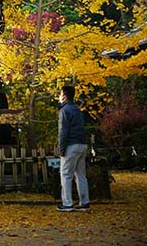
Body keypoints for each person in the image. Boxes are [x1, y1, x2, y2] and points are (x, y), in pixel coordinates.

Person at [56, 84, 90, 212]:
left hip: (71, 145)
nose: (59, 97)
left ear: (64, 96)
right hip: (82, 144)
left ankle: (67, 203)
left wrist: (61, 149)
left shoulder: (64, 110)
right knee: (81, 175)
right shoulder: (77, 109)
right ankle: (84, 201)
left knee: (66, 175)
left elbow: (63, 131)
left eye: (60, 94)